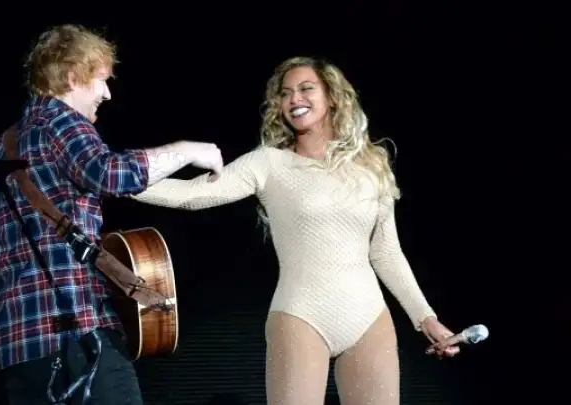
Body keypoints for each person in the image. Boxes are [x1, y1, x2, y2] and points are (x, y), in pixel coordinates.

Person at [130, 56, 461, 405]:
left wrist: (426, 318)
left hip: (369, 317)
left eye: (306, 89)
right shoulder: (269, 163)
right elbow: (190, 195)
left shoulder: (372, 165)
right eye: (285, 93)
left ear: (332, 96)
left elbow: (386, 253)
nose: (294, 99)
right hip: (301, 315)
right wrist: (112, 179)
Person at [0, 24, 223, 405]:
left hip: (18, 341)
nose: (107, 93)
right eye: (102, 79)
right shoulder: (61, 120)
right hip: (75, 331)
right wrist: (188, 151)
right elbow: (108, 173)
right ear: (72, 76)